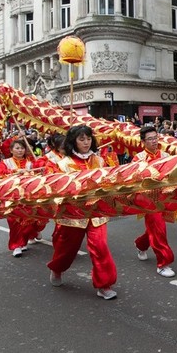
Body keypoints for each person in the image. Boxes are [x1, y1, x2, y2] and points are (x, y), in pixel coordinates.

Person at [47, 125, 119, 300]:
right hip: (73, 214)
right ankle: (57, 268)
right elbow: (54, 188)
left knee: (100, 247)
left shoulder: (99, 161)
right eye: (81, 139)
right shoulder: (62, 164)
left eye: (88, 138)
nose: (86, 142)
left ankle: (104, 284)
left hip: (96, 212)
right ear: (74, 141)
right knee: (66, 250)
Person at [132, 125, 177, 278]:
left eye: (155, 138)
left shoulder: (165, 155)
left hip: (163, 197)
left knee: (154, 228)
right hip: (147, 199)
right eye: (150, 139)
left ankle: (140, 244)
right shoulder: (138, 159)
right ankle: (163, 263)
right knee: (158, 227)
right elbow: (133, 180)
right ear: (143, 142)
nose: (153, 141)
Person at [0, 139, 42, 257]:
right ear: (11, 150)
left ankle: (24, 241)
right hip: (11, 196)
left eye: (22, 148)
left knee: (28, 220)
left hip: (28, 195)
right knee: (14, 220)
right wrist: (15, 172)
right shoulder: (6, 162)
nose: (20, 150)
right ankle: (16, 245)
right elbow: (0, 175)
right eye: (17, 148)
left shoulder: (30, 163)